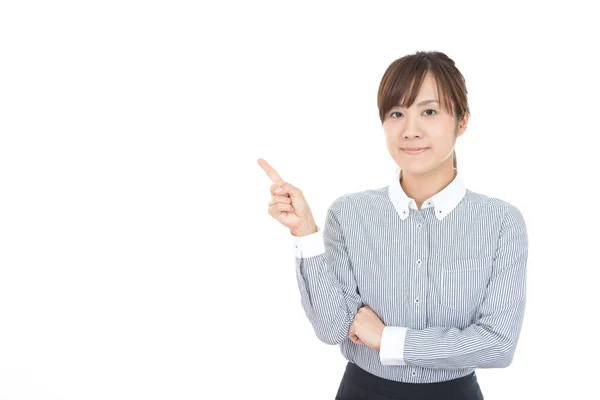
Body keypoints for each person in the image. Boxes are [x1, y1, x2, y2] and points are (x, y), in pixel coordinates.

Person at [258, 51, 527, 400]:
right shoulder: (349, 213)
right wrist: (306, 234)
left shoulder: (501, 223)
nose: (410, 131)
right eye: (396, 113)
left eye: (429, 112)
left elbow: (497, 345)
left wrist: (388, 340)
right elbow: (331, 327)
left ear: (462, 121)